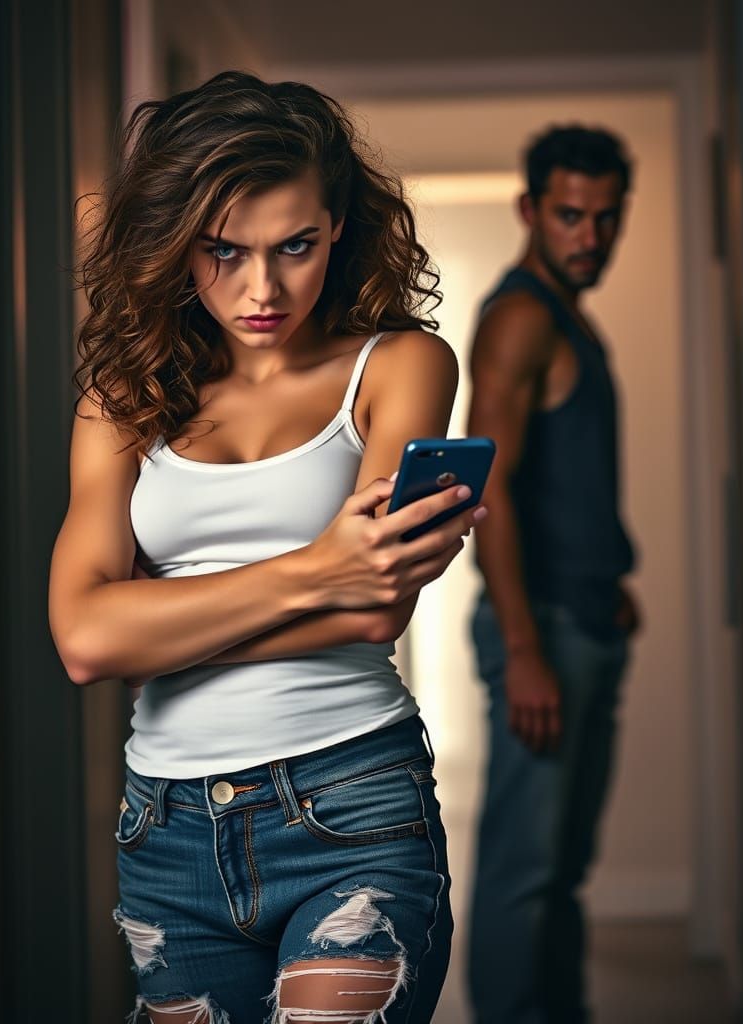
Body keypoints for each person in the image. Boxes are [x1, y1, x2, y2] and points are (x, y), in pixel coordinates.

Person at [48, 71, 483, 1024]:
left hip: (352, 800)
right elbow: (82, 637)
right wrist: (317, 567)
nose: (262, 288)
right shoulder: (123, 399)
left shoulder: (399, 365)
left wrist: (156, 631)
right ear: (175, 246)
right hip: (165, 829)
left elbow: (376, 609)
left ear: (338, 228)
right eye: (224, 252)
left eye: (296, 245)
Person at [465, 125, 640, 1023]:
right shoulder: (523, 315)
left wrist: (607, 578)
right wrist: (527, 648)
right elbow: (487, 489)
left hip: (583, 619)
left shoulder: (566, 311)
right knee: (523, 876)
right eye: (571, 215)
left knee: (561, 873)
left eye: (607, 218)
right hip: (546, 635)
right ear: (531, 210)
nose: (590, 237)